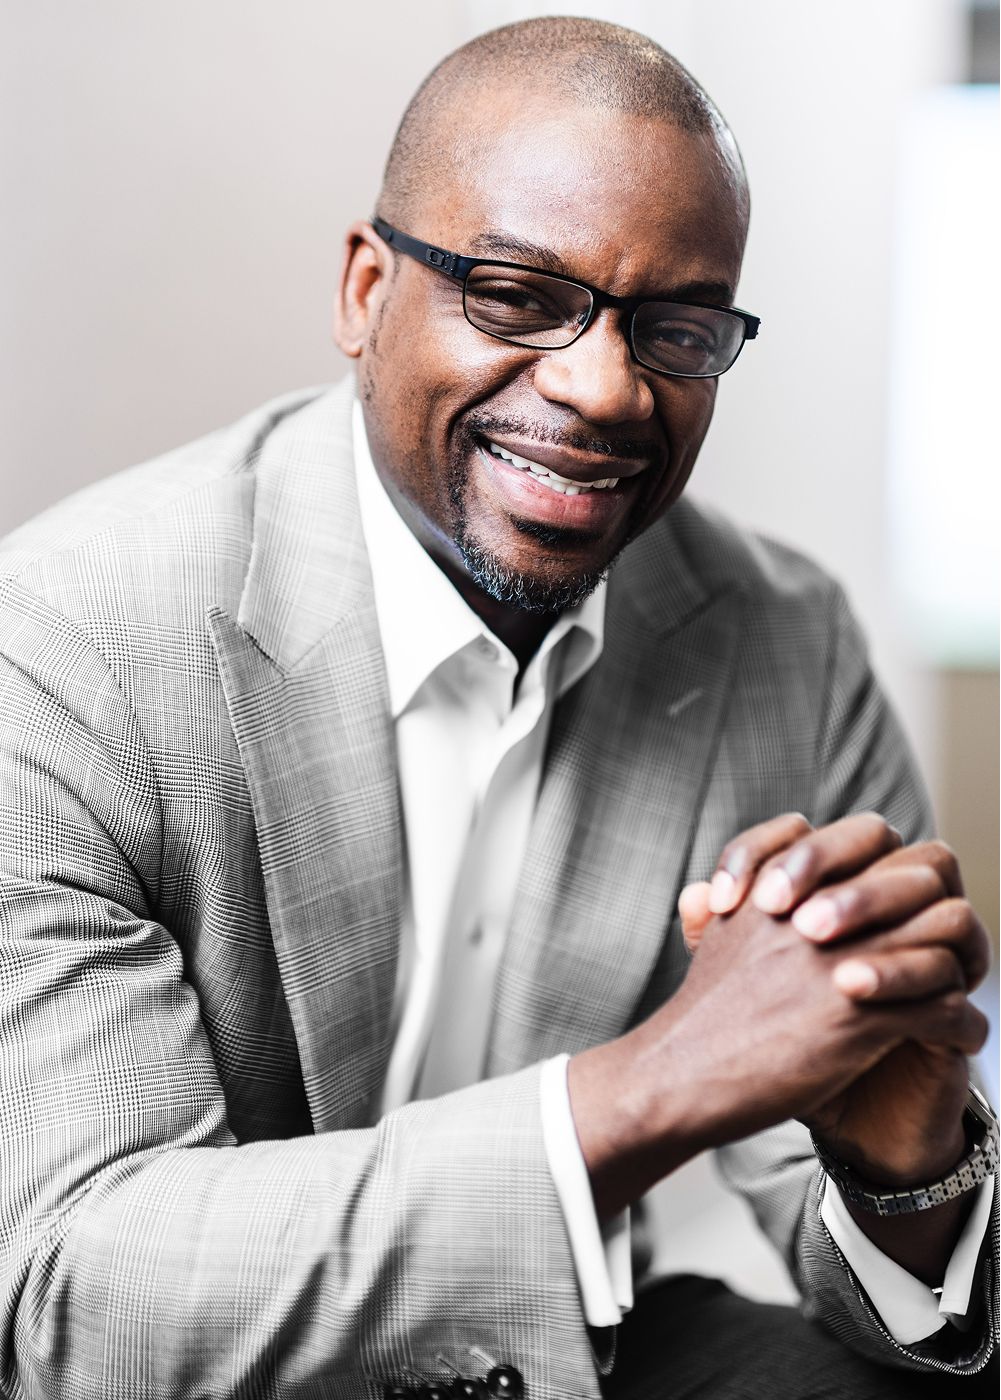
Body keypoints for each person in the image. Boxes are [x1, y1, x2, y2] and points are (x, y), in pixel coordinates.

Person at [0, 16, 996, 1400]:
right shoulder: (61, 651)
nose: (602, 388)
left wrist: (905, 1165)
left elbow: (866, 1238)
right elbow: (65, 1297)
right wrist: (643, 1090)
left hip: (566, 1352)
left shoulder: (785, 642)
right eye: (516, 295)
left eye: (677, 328)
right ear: (362, 290)